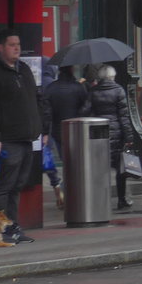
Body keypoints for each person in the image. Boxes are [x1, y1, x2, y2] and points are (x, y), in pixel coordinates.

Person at [0, 29, 45, 244]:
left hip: (27, 138)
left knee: (17, 186)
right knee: (4, 187)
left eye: (18, 44)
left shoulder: (23, 69)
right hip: (8, 138)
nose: (17, 48)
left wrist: (42, 128)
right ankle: (1, 230)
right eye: (11, 44)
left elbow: (35, 99)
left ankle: (13, 228)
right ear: (0, 48)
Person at [42, 65, 90, 209]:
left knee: (66, 160)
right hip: (77, 129)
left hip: (59, 130)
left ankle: (66, 191)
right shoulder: (78, 88)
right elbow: (87, 105)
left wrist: (45, 132)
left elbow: (46, 113)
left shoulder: (51, 88)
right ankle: (72, 193)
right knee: (77, 163)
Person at [88, 64, 134, 210]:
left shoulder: (93, 91)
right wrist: (129, 137)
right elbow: (124, 116)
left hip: (98, 134)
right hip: (117, 134)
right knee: (120, 170)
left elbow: (85, 111)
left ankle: (101, 201)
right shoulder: (118, 90)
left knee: (100, 169)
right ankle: (122, 200)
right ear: (112, 77)